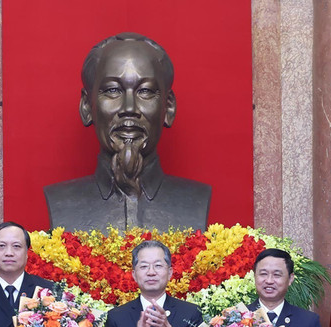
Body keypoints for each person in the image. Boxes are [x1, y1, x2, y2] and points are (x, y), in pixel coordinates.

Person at [44, 32, 211, 231]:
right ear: (87, 107)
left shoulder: (196, 200)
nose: (129, 108)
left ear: (169, 107)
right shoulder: (62, 201)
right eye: (113, 90)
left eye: (145, 91)